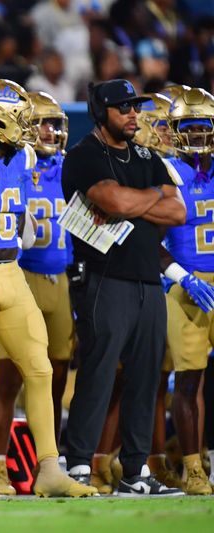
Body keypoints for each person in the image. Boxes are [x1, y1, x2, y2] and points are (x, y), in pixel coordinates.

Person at [0, 79, 95, 499]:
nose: (29, 125)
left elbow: (24, 224)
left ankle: (48, 468)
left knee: (41, 369)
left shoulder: (24, 154)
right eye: (21, 116)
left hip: (13, 270)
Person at [62, 78, 186, 497]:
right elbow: (113, 203)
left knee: (146, 377)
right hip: (102, 277)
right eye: (123, 108)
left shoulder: (148, 154)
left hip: (148, 280)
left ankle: (135, 470)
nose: (133, 114)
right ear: (102, 113)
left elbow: (178, 211)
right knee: (98, 373)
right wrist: (150, 196)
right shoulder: (82, 156)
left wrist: (137, 198)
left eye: (135, 107)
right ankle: (77, 462)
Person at [0, 90, 72, 487]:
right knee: (7, 379)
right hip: (20, 277)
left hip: (61, 279)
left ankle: (48, 463)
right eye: (42, 122)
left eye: (55, 123)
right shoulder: (16, 162)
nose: (50, 130)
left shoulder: (66, 169)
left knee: (52, 376)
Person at [159, 87, 214, 495]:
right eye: (188, 127)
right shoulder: (165, 173)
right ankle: (193, 468)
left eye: (203, 126)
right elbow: (149, 241)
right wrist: (183, 277)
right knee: (189, 380)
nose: (196, 134)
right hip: (186, 285)